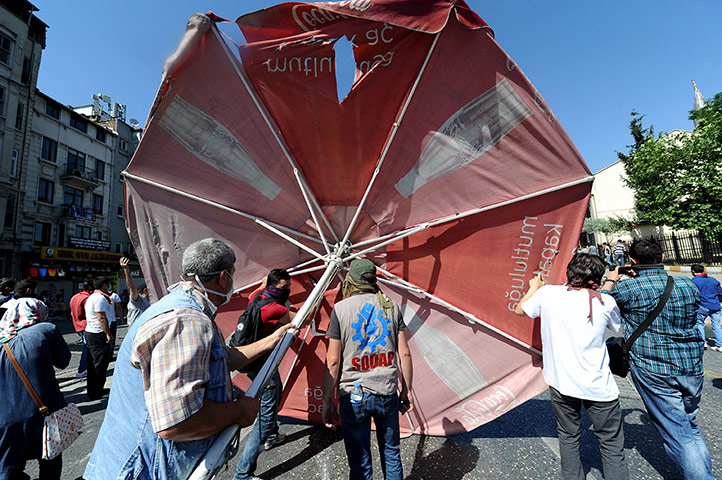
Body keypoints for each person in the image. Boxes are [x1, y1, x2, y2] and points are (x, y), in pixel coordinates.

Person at [84, 238, 290, 480]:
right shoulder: (187, 320)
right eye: (233, 275)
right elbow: (177, 423)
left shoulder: (184, 308)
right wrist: (239, 411)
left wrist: (274, 339)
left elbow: (222, 359)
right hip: (143, 470)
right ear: (224, 277)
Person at [602, 240, 713, 479]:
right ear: (662, 256)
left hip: (653, 366)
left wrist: (611, 279)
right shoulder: (688, 284)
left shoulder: (628, 289)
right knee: (689, 425)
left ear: (632, 261)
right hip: (691, 365)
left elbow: (597, 304)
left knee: (679, 433)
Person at [515, 254, 628, 480]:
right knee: (611, 443)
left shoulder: (547, 294)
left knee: (568, 436)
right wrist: (611, 284)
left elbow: (520, 310)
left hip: (560, 381)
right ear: (598, 277)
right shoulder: (605, 301)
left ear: (569, 273)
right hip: (598, 386)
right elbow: (616, 328)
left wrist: (534, 287)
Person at [322, 259, 413, 480]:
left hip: (354, 395)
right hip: (386, 391)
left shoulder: (341, 309)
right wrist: (406, 390)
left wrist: (326, 400)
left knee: (360, 459)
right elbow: (405, 354)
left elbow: (333, 361)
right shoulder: (390, 306)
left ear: (351, 280)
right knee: (391, 453)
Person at [0, 279, 70, 479]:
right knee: (50, 460)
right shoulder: (46, 329)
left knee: (8, 468)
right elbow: (63, 361)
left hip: (5, 417)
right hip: (45, 412)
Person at [232, 269, 298, 480]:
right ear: (273, 287)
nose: (286, 290)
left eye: (288, 287)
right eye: (283, 288)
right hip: (261, 366)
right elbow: (303, 318)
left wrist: (264, 284)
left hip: (252, 360)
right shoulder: (273, 309)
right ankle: (243, 474)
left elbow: (260, 287)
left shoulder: (257, 297)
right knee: (265, 413)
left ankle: (271, 435)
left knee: (275, 390)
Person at [84, 276, 115, 400]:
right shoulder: (100, 299)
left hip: (91, 332)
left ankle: (94, 389)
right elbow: (101, 318)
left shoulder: (92, 297)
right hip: (97, 333)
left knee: (93, 363)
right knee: (100, 363)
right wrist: (108, 333)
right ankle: (96, 390)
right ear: (105, 286)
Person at [691, 264, 722, 351]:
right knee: (717, 325)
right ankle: (720, 345)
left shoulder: (694, 281)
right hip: (715, 306)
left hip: (703, 306)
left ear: (693, 271)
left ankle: (703, 342)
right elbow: (721, 293)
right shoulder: (713, 280)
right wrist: (717, 300)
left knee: (700, 323)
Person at [69, 281, 93, 379]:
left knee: (86, 346)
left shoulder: (74, 297)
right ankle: (82, 369)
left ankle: (84, 368)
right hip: (86, 326)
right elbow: (89, 313)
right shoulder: (86, 299)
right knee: (87, 348)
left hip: (77, 325)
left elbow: (71, 313)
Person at [119, 257, 150, 326]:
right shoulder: (137, 301)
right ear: (145, 290)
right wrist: (126, 270)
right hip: (135, 334)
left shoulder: (147, 302)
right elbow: (132, 288)